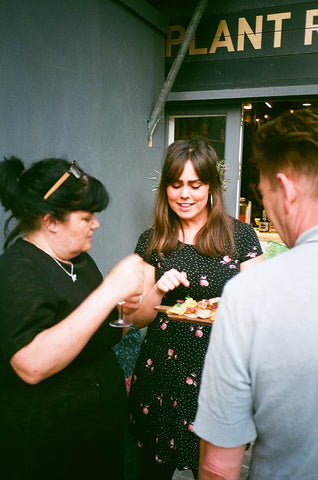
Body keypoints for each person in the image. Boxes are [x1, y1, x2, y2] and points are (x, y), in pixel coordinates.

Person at [0, 156, 144, 480]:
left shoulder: (79, 261)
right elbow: (30, 364)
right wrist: (108, 292)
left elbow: (93, 332)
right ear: (51, 221)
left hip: (97, 440)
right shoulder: (16, 269)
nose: (96, 224)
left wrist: (122, 311)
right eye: (87, 217)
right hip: (51, 452)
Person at [128, 136, 263, 480]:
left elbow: (260, 312)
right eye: (176, 185)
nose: (184, 194)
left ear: (211, 187)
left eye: (195, 184)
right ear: (165, 189)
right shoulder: (153, 239)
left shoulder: (241, 237)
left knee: (215, 469)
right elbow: (137, 318)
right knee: (152, 469)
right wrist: (158, 289)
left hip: (220, 374)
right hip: (163, 372)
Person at [194, 108, 318, 480]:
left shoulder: (252, 293)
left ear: (287, 189)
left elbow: (219, 466)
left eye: (265, 194)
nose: (267, 208)